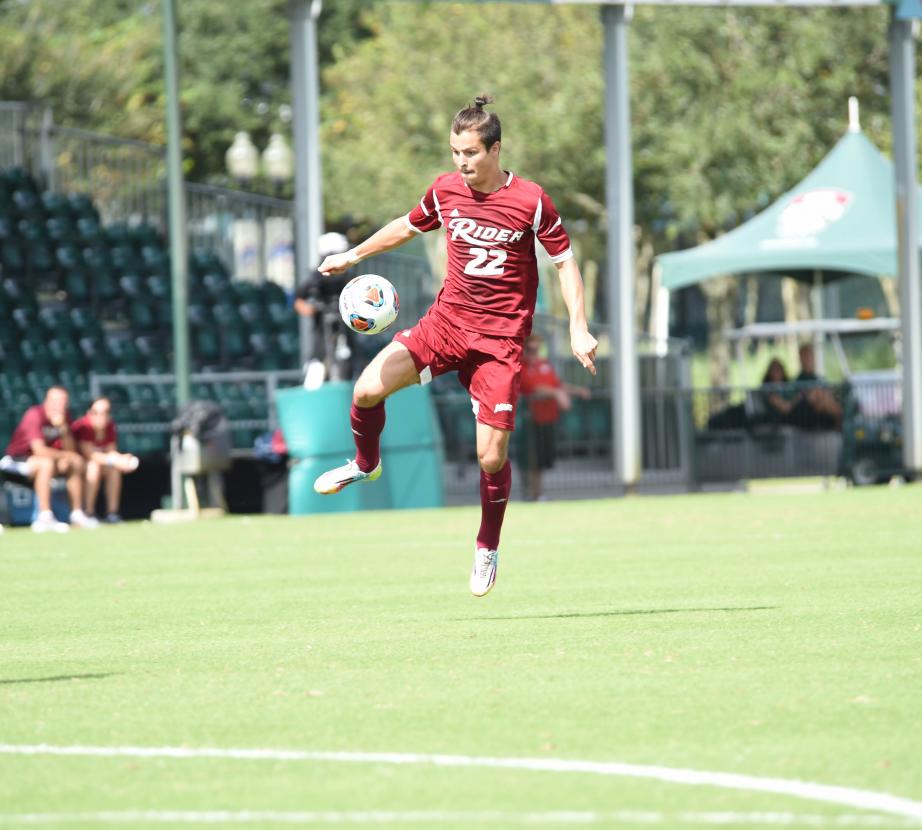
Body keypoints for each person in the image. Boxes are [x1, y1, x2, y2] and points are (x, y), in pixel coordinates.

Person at [312, 94, 598, 596]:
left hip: (500, 342)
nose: (461, 163)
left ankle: (487, 544)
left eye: (469, 153)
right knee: (364, 390)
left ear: (495, 149)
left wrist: (578, 326)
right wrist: (353, 255)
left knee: (490, 458)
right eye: (454, 152)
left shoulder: (531, 201)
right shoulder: (445, 191)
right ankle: (365, 463)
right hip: (446, 324)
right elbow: (407, 225)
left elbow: (565, 263)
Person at [3, 386, 98, 532]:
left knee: (75, 462)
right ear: (46, 401)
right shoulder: (34, 414)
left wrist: (64, 429)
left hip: (48, 460)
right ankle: (45, 517)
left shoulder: (64, 417)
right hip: (17, 460)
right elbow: (39, 450)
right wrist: (66, 456)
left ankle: (77, 514)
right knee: (46, 464)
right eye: (55, 401)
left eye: (63, 401)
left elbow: (70, 450)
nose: (59, 405)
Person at [518, 333, 591, 501]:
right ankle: (531, 494)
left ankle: (538, 493)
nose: (533, 352)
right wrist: (556, 394)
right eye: (530, 348)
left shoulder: (545, 365)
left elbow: (557, 384)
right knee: (531, 460)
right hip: (531, 418)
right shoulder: (521, 366)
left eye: (536, 348)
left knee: (541, 460)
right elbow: (532, 388)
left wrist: (577, 391)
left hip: (547, 417)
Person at [294, 231, 359, 383]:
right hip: (321, 326)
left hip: (345, 321)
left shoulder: (349, 275)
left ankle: (350, 381)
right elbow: (299, 299)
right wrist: (312, 309)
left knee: (351, 353)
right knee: (318, 356)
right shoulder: (316, 276)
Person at [72, 397, 139, 523]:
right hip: (78, 467)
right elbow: (90, 455)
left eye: (106, 412)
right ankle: (88, 513)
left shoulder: (109, 426)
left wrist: (120, 459)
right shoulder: (83, 426)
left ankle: (112, 513)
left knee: (113, 470)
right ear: (89, 413)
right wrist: (115, 460)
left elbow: (110, 450)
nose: (101, 416)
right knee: (94, 466)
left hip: (99, 464)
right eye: (96, 412)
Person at [790, 343, 843, 430]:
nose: (807, 359)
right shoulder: (797, 381)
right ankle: (839, 419)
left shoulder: (819, 379)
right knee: (817, 393)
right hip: (804, 412)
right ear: (800, 359)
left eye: (809, 356)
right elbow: (794, 399)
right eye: (804, 356)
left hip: (822, 409)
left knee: (824, 395)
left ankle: (838, 419)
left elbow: (830, 393)